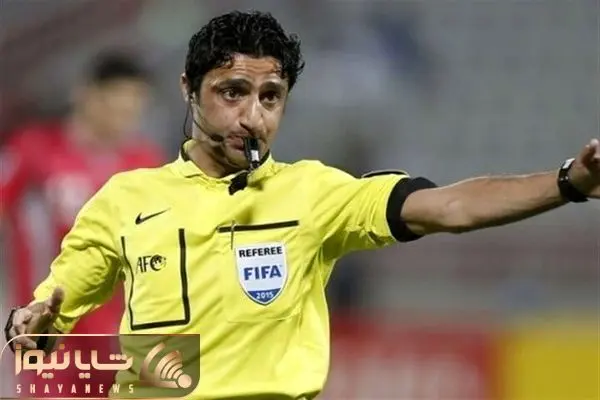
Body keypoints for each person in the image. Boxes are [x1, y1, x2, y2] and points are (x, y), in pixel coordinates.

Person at [3, 10, 599, 400]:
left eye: (271, 97)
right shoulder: (125, 199)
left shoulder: (313, 193)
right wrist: (33, 327)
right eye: (232, 92)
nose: (252, 116)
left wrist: (568, 182)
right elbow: (50, 316)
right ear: (189, 89)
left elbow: (450, 207)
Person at [0, 51, 163, 396]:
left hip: (123, 335)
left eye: (133, 110)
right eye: (116, 106)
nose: (124, 119)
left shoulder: (144, 164)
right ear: (86, 94)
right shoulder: (32, 152)